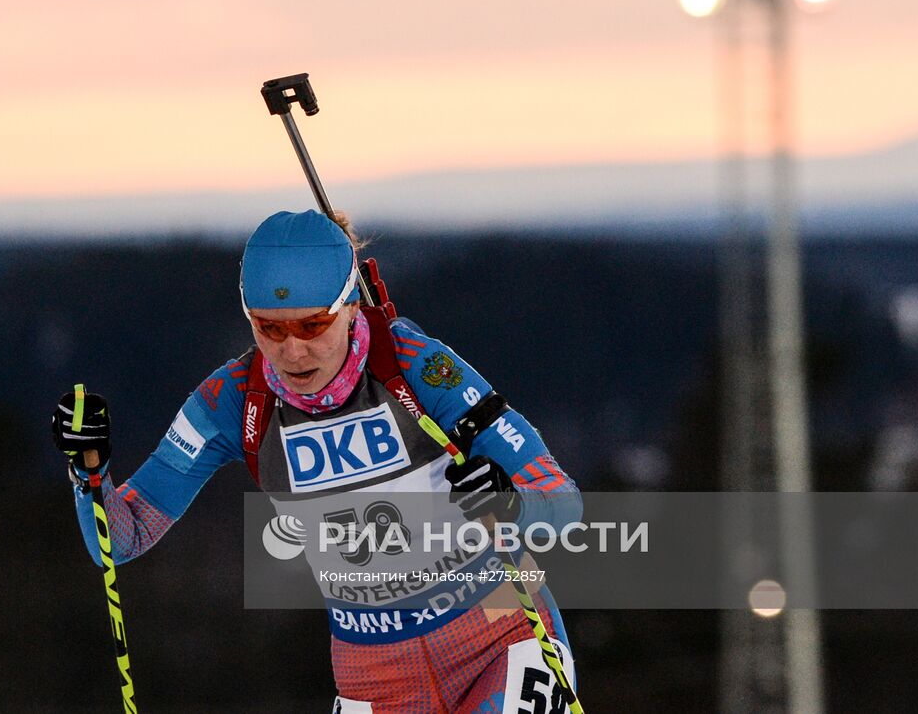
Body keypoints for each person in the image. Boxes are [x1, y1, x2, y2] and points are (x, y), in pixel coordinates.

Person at [51, 210, 582, 713]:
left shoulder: (415, 367)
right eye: (269, 328)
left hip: (498, 634)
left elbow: (562, 501)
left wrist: (511, 506)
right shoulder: (232, 401)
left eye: (312, 325)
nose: (293, 352)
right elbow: (120, 540)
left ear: (350, 306)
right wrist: (88, 470)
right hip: (375, 678)